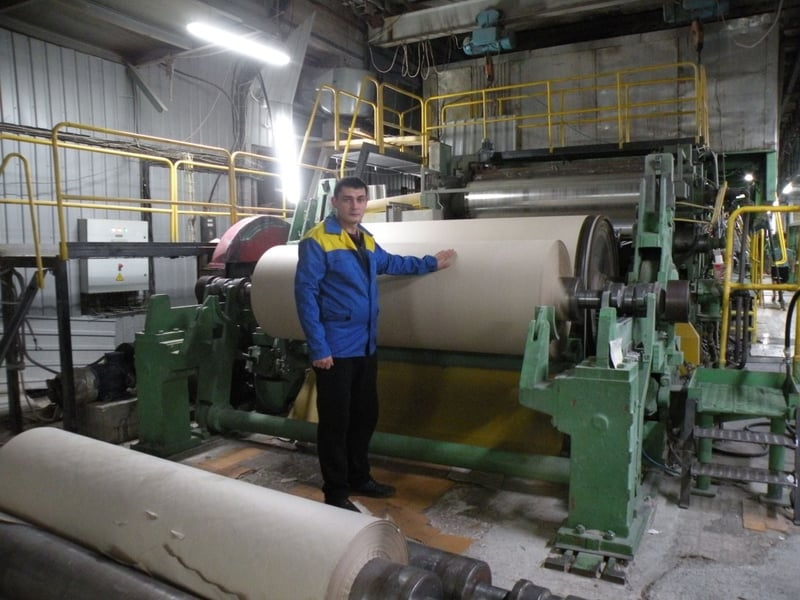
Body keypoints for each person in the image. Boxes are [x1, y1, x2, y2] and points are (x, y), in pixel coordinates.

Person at [294, 177, 457, 511]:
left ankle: (359, 477)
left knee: (365, 415)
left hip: (365, 344)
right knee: (336, 423)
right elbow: (305, 295)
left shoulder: (366, 239)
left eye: (360, 199)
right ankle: (336, 492)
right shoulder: (317, 240)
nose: (355, 206)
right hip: (335, 348)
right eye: (347, 199)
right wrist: (319, 347)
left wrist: (430, 263)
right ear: (334, 203)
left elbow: (392, 263)